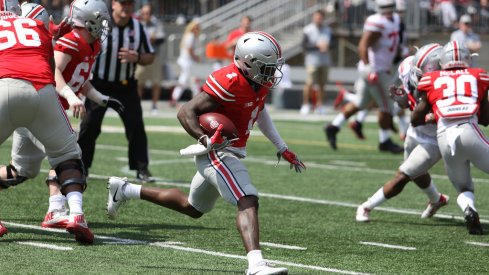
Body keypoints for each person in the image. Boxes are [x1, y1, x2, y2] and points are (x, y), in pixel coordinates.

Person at [106, 32, 305, 275]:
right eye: (266, 67)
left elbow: (259, 112)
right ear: (249, 62)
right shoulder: (229, 80)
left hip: (232, 150)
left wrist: (281, 147)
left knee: (193, 208)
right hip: (218, 151)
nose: (271, 73)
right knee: (247, 198)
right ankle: (256, 264)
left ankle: (125, 190)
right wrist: (205, 138)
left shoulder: (257, 82)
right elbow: (185, 111)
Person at [0, 0, 93, 244]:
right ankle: (77, 214)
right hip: (41, 90)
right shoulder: (37, 27)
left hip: (3, 86)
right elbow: (50, 68)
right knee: (68, 155)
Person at [356, 44, 450, 222]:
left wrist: (430, 115)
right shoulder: (409, 67)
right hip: (415, 132)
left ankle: (366, 206)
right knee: (416, 172)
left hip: (435, 138)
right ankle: (437, 199)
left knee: (404, 174)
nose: (421, 74)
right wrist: (401, 98)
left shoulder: (447, 83)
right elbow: (406, 100)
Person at [411, 41, 489, 235]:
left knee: (463, 187)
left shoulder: (430, 79)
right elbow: (486, 118)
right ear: (467, 59)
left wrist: (432, 115)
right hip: (469, 130)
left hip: (444, 137)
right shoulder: (478, 75)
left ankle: (469, 210)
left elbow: (415, 119)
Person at [77, 0, 156, 183]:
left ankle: (142, 168)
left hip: (126, 85)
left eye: (129, 3)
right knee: (89, 125)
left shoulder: (138, 27)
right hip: (99, 84)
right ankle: (82, 165)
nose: (126, 6)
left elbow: (150, 56)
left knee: (135, 125)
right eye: (122, 3)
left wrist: (136, 57)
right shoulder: (101, 24)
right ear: (113, 4)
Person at [325, 0, 403, 153]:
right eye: (384, 8)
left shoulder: (395, 19)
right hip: (375, 71)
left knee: (360, 102)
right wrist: (369, 67)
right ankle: (384, 141)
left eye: (390, 8)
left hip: (379, 69)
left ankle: (333, 126)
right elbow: (363, 45)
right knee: (387, 105)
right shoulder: (377, 22)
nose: (387, 11)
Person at [300, 9, 332, 116]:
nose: (319, 19)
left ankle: (320, 105)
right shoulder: (308, 30)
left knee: (322, 84)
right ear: (314, 17)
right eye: (317, 17)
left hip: (325, 61)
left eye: (321, 17)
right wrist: (317, 46)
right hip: (312, 61)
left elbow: (334, 43)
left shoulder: (328, 30)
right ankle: (306, 105)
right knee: (309, 83)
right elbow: (304, 45)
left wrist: (328, 46)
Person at [135, 3, 165, 114]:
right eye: (143, 13)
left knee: (156, 82)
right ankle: (137, 104)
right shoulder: (137, 23)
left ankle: (154, 106)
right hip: (141, 57)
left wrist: (152, 39)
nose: (145, 15)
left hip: (154, 57)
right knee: (138, 82)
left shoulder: (156, 24)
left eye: (147, 13)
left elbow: (161, 39)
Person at [170, 19, 201, 106]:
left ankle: (195, 97)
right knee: (186, 80)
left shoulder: (189, 35)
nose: (197, 29)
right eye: (196, 27)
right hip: (187, 61)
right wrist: (195, 57)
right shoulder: (191, 36)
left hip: (186, 61)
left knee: (191, 80)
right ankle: (175, 98)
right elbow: (189, 49)